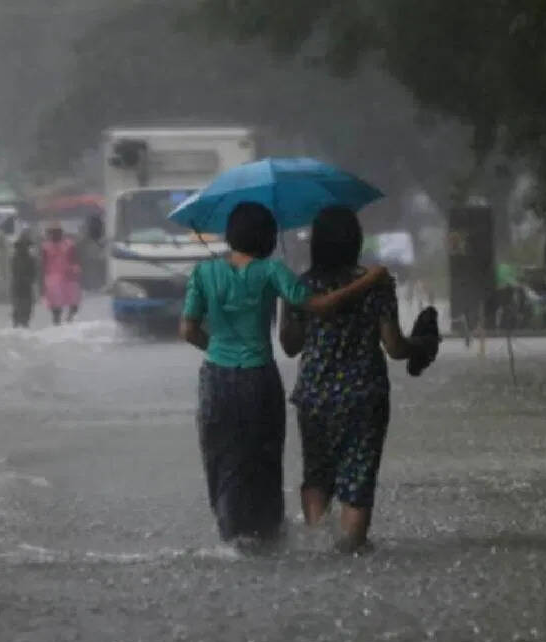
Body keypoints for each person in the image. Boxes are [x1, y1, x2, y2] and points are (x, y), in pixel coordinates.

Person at [179, 202, 389, 546]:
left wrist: (219, 351)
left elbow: (188, 330)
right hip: (259, 378)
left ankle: (232, 536)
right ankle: (268, 535)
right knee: (263, 459)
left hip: (215, 379)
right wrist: (368, 281)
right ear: (267, 237)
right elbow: (319, 306)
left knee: (222, 457)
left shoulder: (203, 273)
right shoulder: (272, 272)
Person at [280, 206, 431, 553]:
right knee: (358, 478)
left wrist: (287, 303)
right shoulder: (376, 284)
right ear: (356, 242)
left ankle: (319, 546)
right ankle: (351, 547)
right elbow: (394, 347)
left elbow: (290, 346)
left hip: (315, 394)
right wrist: (420, 344)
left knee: (317, 475)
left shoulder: (301, 286)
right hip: (365, 394)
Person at [40, 224, 81, 325]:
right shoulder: (45, 246)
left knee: (74, 301)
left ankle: (69, 319)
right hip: (53, 278)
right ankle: (57, 322)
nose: (55, 235)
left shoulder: (69, 244)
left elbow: (74, 259)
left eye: (57, 232)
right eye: (53, 233)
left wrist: (75, 270)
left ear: (61, 233)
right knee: (56, 304)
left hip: (68, 276)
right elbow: (43, 263)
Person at [10, 232, 37, 328]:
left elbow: (34, 274)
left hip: (25, 287)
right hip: (18, 287)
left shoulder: (31, 259)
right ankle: (18, 324)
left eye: (25, 246)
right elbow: (13, 272)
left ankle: (23, 324)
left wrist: (29, 280)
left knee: (25, 310)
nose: (24, 248)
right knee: (18, 309)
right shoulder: (15, 259)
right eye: (22, 246)